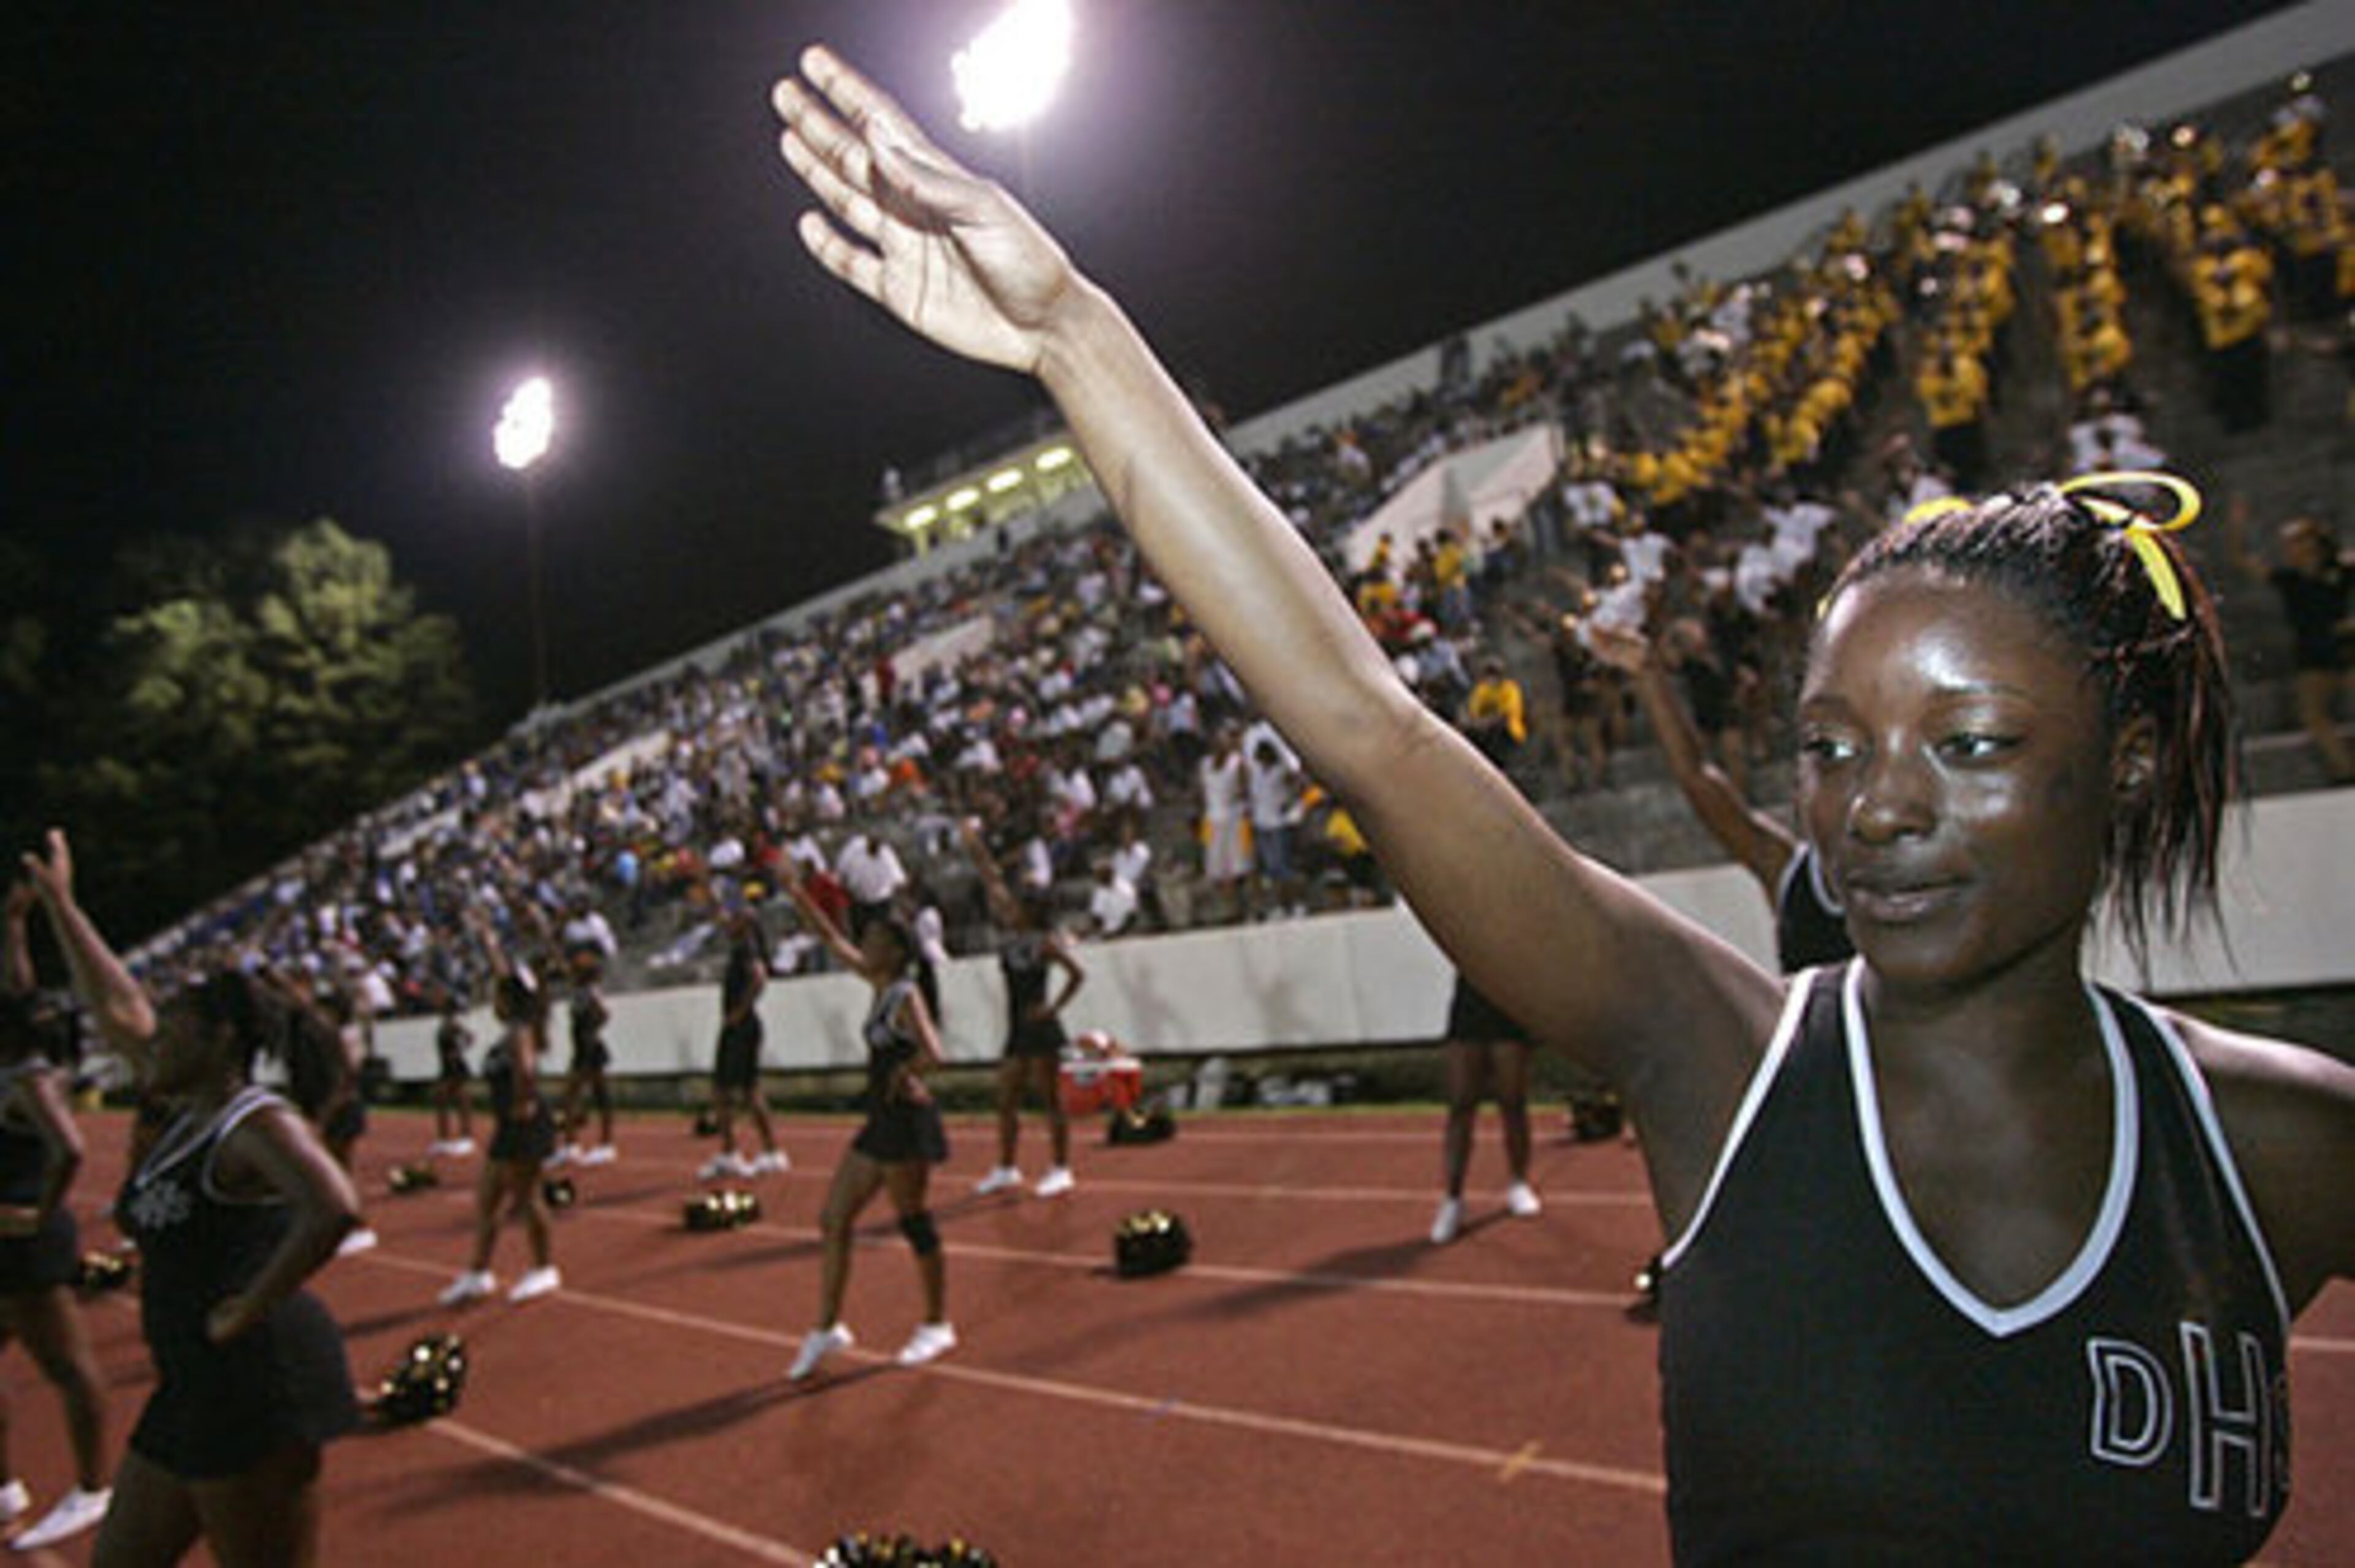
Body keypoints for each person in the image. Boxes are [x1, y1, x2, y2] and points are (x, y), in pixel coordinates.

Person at [774, 61, 2355, 1559]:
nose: (1874, 808)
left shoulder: (2275, 1145)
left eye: (1970, 741)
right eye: (1829, 742)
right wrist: (1073, 338)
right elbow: (1369, 735)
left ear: (2130, 761)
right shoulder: (1719, 1061)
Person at [24, 830, 359, 1567]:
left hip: (257, 1380)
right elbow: (117, 1003)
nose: (154, 1036)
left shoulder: (252, 1119)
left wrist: (249, 1304)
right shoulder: (186, 1114)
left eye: (174, 1023)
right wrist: (60, 905)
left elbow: (334, 1205)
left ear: (219, 1039)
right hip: (192, 1381)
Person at [778, 865, 955, 1379]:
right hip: (880, 1119)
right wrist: (797, 893)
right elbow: (831, 937)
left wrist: (907, 1070)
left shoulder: (904, 994)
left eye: (875, 939)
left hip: (905, 1120)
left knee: (913, 1219)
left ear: (896, 952)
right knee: (834, 1219)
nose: (866, 944)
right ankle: (827, 1326)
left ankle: (937, 1322)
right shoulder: (878, 982)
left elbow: (936, 1052)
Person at [0, 884, 112, 1550]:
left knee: (68, 1365)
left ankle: (93, 1486)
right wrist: (15, 925)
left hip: (27, 1240)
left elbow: (71, 1146)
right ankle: (7, 1484)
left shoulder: (30, 1078)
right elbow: (21, 986)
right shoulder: (23, 1062)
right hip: (8, 1239)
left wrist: (38, 1210)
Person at [438, 910, 561, 1306]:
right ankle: (478, 1272)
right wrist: (488, 939)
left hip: (523, 1122)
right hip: (509, 1124)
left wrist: (523, 1102)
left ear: (509, 1001)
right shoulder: (517, 1024)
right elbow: (504, 973)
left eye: (497, 995)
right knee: (487, 1200)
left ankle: (544, 1268)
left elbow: (525, 1068)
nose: (492, 1000)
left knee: (526, 1198)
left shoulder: (521, 1030)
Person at [959, 820, 1085, 1199]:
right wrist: (975, 845)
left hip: (1039, 1025)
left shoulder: (1042, 943)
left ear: (1030, 912)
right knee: (1006, 1099)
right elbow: (992, 881)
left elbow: (1077, 975)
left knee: (1050, 1099)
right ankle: (1006, 1167)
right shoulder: (1012, 936)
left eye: (1017, 906)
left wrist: (1054, 1007)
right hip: (1017, 1026)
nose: (1008, 908)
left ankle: (1062, 1167)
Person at [2224, 495, 2353, 784]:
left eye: (2295, 543)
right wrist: (2237, 525)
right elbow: (2241, 560)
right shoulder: (2290, 580)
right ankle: (2345, 771)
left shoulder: (2341, 569)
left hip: (2344, 645)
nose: (2290, 550)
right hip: (2312, 652)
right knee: (2313, 715)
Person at [1428, 970, 1542, 1245]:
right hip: (1470, 1004)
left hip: (1508, 1000)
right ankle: (1453, 1199)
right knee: (1461, 1104)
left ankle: (1518, 1182)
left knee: (1513, 1101)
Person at [701, 912, 786, 1180]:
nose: (729, 922)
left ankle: (740, 1152)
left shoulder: (746, 949)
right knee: (740, 1091)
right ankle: (756, 1151)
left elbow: (759, 978)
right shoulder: (743, 948)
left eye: (736, 919)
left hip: (740, 1027)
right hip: (741, 1027)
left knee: (730, 1091)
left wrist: (740, 1010)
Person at [554, 955, 617, 1168]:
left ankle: (603, 1145)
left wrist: (592, 1028)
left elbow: (604, 1014)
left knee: (587, 1095)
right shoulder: (579, 991)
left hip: (588, 1047)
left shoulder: (590, 992)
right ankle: (572, 1145)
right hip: (582, 1047)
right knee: (577, 1096)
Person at [427, 996, 475, 1158]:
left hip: (455, 1068)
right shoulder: (446, 1024)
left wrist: (458, 1051)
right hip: (447, 1067)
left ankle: (465, 1138)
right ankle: (444, 1139)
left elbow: (470, 1038)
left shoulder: (453, 1024)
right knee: (442, 1101)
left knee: (461, 1101)